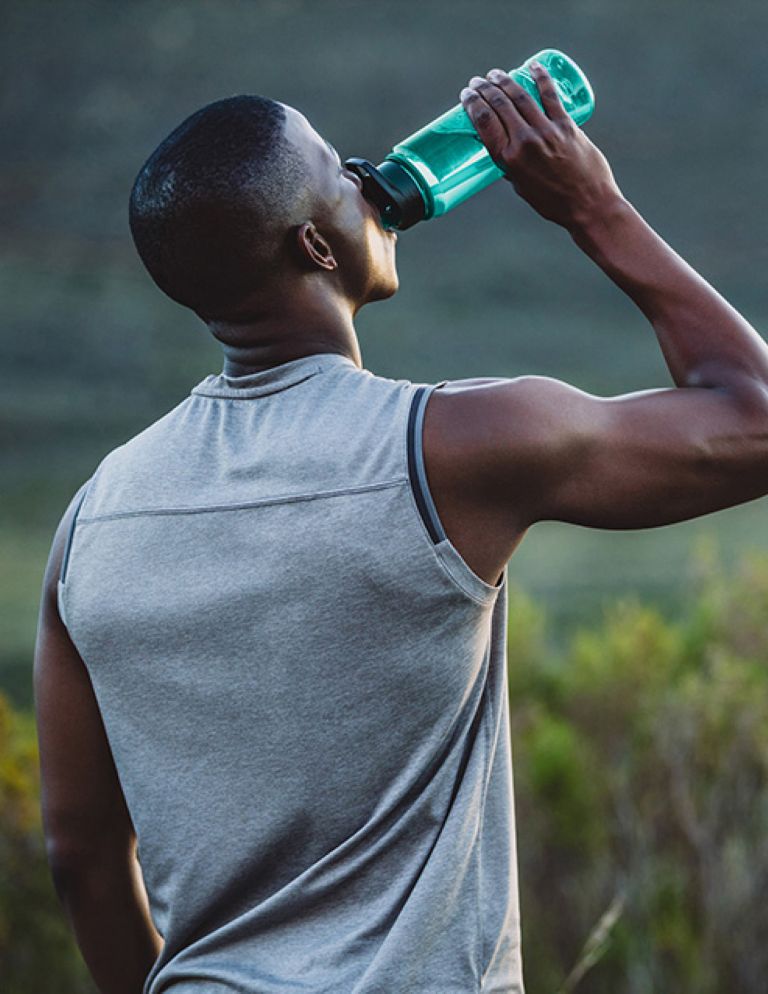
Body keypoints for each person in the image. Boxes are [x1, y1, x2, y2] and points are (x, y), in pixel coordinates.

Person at [33, 61, 768, 994]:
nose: (364, 174)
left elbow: (82, 857)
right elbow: (754, 420)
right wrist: (590, 204)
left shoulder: (93, 518)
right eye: (339, 173)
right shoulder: (452, 448)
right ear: (317, 246)